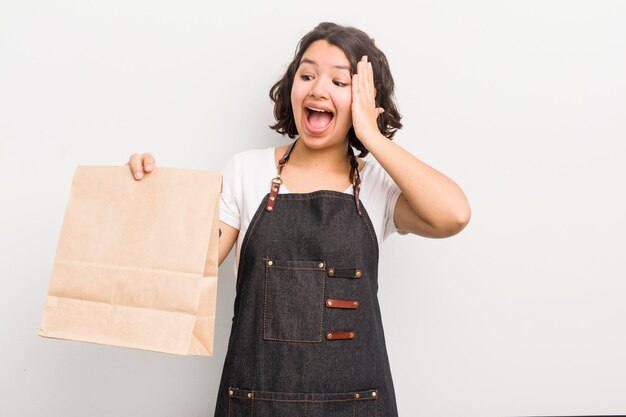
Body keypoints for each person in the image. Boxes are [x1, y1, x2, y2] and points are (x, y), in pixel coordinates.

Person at [129, 22, 470, 417]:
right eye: (306, 75)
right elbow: (187, 267)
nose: (317, 89)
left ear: (363, 99)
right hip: (255, 403)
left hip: (356, 407)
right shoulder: (246, 172)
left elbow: (454, 215)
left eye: (339, 82)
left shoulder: (377, 183)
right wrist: (146, 195)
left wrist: (373, 138)